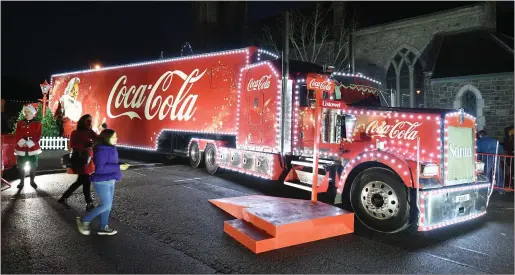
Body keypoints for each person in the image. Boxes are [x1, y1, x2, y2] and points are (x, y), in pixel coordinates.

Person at [76, 129, 129, 236]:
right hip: (102, 181)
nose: (116, 139)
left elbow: (110, 163)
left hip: (111, 179)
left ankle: (103, 226)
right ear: (106, 138)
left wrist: (119, 165)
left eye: (116, 136)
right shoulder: (101, 150)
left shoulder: (110, 148)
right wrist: (118, 166)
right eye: (113, 137)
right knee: (106, 204)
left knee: (108, 205)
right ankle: (85, 221)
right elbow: (100, 168)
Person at [58, 114, 97, 211]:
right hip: (79, 159)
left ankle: (64, 197)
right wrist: (86, 146)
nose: (89, 123)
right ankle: (89, 203)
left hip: (87, 159)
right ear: (82, 121)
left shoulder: (90, 132)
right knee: (86, 181)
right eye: (87, 121)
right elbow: (73, 146)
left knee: (80, 181)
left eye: (90, 121)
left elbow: (98, 139)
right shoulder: (75, 132)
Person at [14, 105, 42, 189]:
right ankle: (21, 182)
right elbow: (18, 134)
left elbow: (38, 135)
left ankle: (32, 181)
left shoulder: (38, 123)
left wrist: (29, 143)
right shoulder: (20, 123)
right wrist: (22, 143)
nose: (26, 113)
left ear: (32, 113)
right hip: (21, 147)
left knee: (33, 166)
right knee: (21, 166)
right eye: (25, 112)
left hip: (32, 148)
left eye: (28, 112)